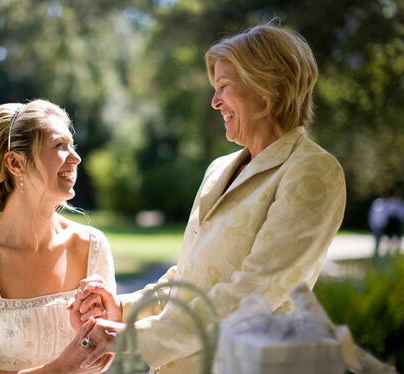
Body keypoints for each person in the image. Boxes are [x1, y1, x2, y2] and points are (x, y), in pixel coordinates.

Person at [70, 24, 347, 374]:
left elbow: (255, 293)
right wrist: (122, 309)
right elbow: (189, 279)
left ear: (266, 88)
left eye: (224, 88)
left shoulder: (312, 171)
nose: (215, 102)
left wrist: (135, 337)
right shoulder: (219, 169)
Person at [0, 99, 117, 373]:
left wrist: (105, 328)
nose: (76, 157)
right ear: (15, 162)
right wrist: (60, 367)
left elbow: (105, 360)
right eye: (60, 146)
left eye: (73, 146)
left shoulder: (92, 245)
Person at [384, 189, 404, 253]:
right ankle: (388, 250)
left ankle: (397, 251)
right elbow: (387, 212)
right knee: (389, 238)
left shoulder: (403, 203)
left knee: (398, 238)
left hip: (398, 223)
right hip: (391, 222)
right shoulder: (390, 201)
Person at [368, 192, 389, 257]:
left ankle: (377, 253)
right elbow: (374, 215)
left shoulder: (384, 204)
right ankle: (376, 254)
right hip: (377, 226)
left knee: (379, 241)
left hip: (380, 226)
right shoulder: (378, 203)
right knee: (377, 240)